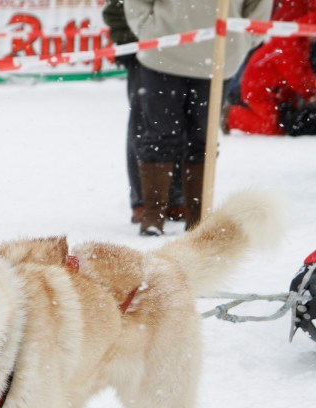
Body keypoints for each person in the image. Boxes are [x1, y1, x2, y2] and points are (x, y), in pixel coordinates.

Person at [125, 0, 271, 235]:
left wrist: (242, 39)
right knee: (159, 138)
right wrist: (147, 29)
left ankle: (198, 219)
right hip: (162, 53)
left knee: (202, 140)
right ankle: (154, 216)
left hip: (218, 56)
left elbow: (259, 7)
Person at [102, 0, 183, 226]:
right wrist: (138, 38)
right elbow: (115, 11)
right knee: (145, 128)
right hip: (144, 52)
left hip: (185, 51)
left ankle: (177, 197)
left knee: (183, 126)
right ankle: (144, 201)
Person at [226, 10, 316, 134]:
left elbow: (304, 72)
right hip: (260, 90)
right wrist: (311, 92)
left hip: (280, 91)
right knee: (272, 128)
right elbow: (296, 75)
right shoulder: (289, 43)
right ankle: (231, 116)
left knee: (286, 124)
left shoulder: (300, 41)